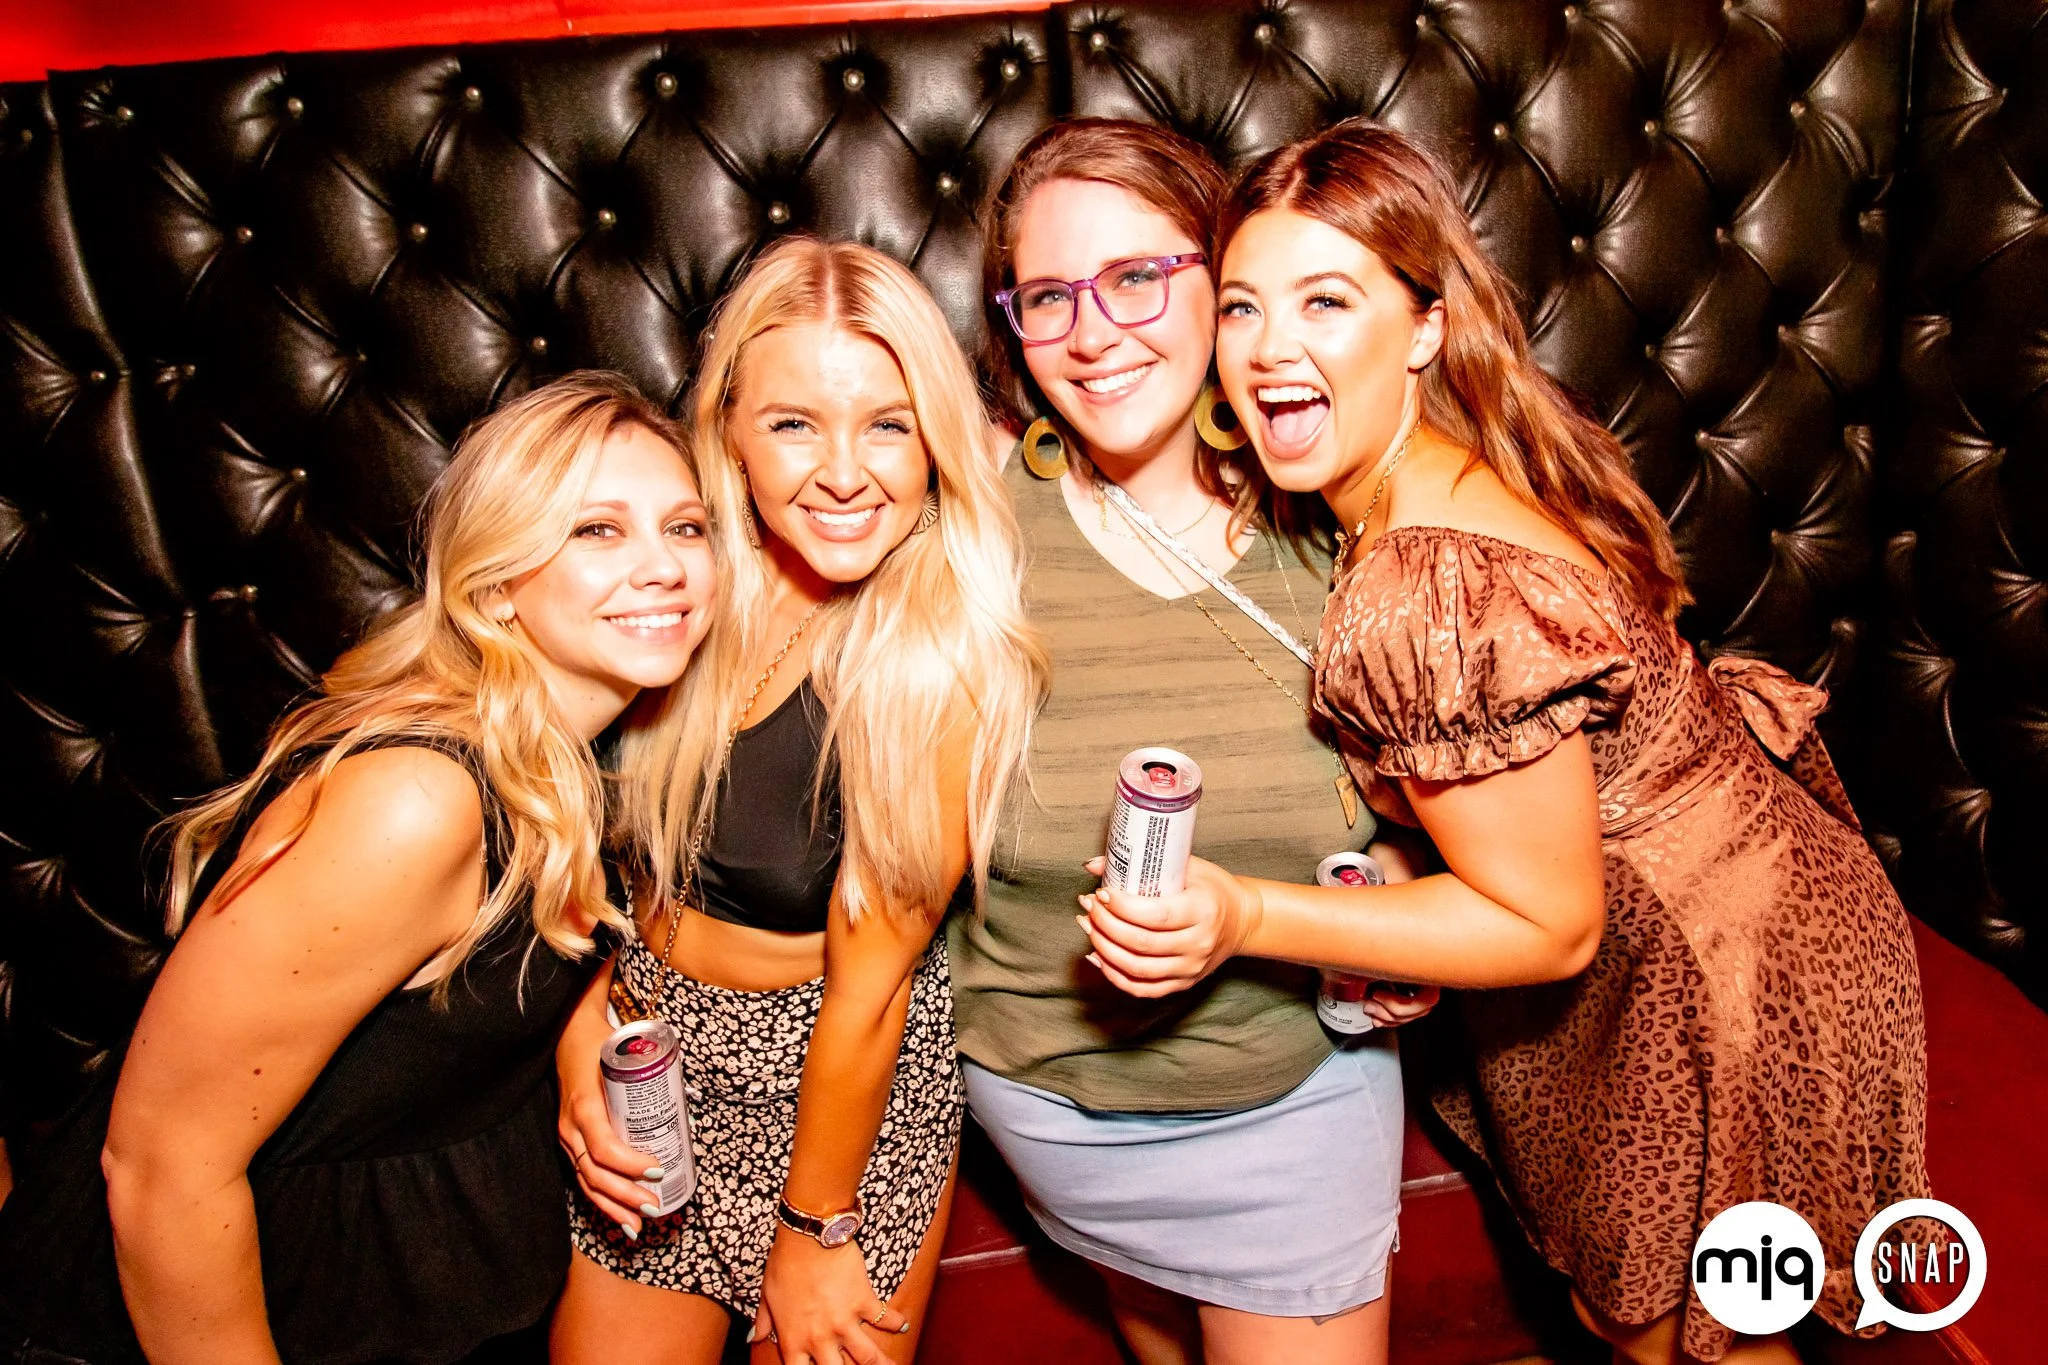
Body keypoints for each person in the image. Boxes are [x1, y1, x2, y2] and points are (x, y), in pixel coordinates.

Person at [1080, 117, 1929, 1365]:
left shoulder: (1427, 583)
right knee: (1651, 1312)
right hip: (1765, 905)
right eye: (1242, 308)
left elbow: (1548, 926)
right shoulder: (1474, 445)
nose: (1267, 349)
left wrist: (1240, 915)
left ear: (1422, 324)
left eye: (1326, 301)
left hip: (1713, 968)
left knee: (1674, 1332)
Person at [0, 372, 719, 1364]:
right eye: (597, 529)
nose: (663, 566)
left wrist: (573, 1046)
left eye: (685, 528)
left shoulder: (580, 757)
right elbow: (163, 1166)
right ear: (497, 581)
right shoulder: (417, 801)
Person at [948, 118, 1433, 1365]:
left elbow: (1440, 809)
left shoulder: (1338, 507)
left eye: (1135, 277)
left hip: (1288, 1089)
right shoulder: (973, 526)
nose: (1091, 334)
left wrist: (1387, 895)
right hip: (1046, 1097)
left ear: (1223, 283)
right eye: (1046, 297)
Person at [551, 237, 1048, 1365]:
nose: (843, 473)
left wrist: (816, 1226)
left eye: (888, 425)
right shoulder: (665, 585)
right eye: (793, 424)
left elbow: (869, 993)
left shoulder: (941, 653)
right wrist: (580, 1022)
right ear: (727, 426)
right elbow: (557, 834)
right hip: (650, 1059)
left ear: (936, 437)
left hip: (840, 1097)